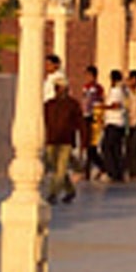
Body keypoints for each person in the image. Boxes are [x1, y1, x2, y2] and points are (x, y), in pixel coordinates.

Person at [43, 72, 86, 204]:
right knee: (56, 168)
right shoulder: (49, 105)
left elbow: (81, 124)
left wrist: (83, 142)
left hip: (66, 141)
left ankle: (52, 193)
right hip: (51, 140)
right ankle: (70, 190)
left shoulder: (72, 105)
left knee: (61, 169)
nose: (59, 90)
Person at [101, 68, 127, 181]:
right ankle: (118, 172)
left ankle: (112, 171)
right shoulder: (119, 90)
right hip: (117, 123)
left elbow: (116, 105)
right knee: (116, 149)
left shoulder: (116, 91)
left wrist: (103, 107)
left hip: (114, 122)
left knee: (107, 147)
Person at [81, 65, 106, 180]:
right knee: (86, 145)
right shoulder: (85, 87)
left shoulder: (97, 88)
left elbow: (99, 104)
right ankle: (88, 169)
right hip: (86, 116)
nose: (86, 77)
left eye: (87, 75)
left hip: (94, 118)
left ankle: (98, 167)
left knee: (91, 146)